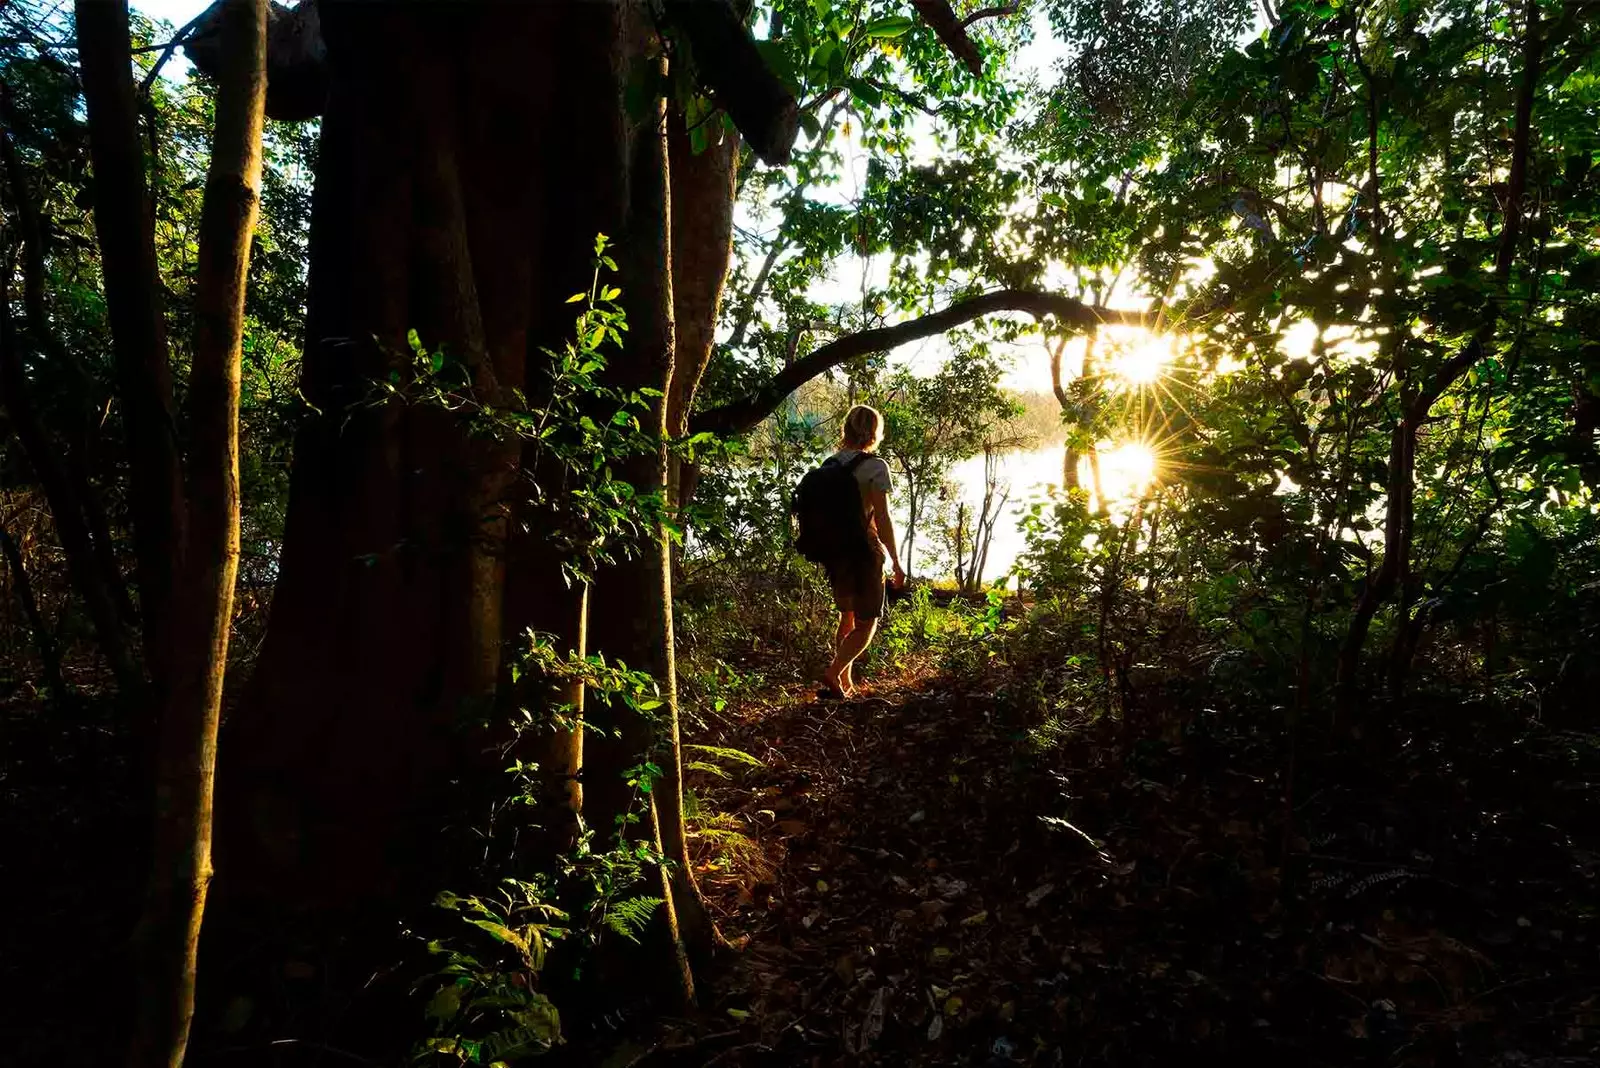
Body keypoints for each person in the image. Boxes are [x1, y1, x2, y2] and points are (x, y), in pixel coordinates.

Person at [821, 404, 905, 698]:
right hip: (865, 552)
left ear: (846, 429)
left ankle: (844, 683)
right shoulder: (875, 467)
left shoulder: (829, 465)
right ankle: (833, 672)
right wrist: (896, 560)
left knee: (847, 617)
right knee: (867, 622)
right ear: (874, 432)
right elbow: (882, 518)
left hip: (836, 553)